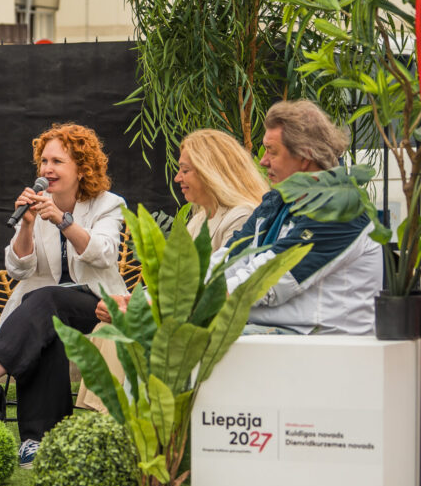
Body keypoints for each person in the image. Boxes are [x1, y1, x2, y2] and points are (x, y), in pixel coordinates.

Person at [97, 100, 381, 335]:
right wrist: (145, 299)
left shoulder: (339, 209)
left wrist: (163, 308)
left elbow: (263, 281)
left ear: (305, 156)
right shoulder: (278, 202)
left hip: (321, 342)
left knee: (171, 336)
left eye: (272, 151)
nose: (263, 161)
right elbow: (226, 261)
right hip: (279, 334)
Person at [0, 123, 128, 467]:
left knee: (45, 301)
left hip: (98, 305)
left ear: (82, 168)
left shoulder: (107, 204)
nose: (47, 169)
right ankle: (41, 441)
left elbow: (104, 253)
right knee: (46, 321)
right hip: (46, 310)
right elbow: (18, 268)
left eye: (57, 162)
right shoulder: (36, 206)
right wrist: (27, 224)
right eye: (43, 161)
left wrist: (63, 221)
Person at [76, 128, 267, 412]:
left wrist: (140, 309)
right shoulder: (200, 219)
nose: (177, 178)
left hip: (213, 323)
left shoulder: (241, 216)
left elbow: (217, 285)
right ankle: (112, 420)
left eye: (185, 170)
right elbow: (174, 284)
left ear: (211, 171)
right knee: (108, 327)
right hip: (186, 316)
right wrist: (130, 303)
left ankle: (121, 421)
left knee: (121, 333)